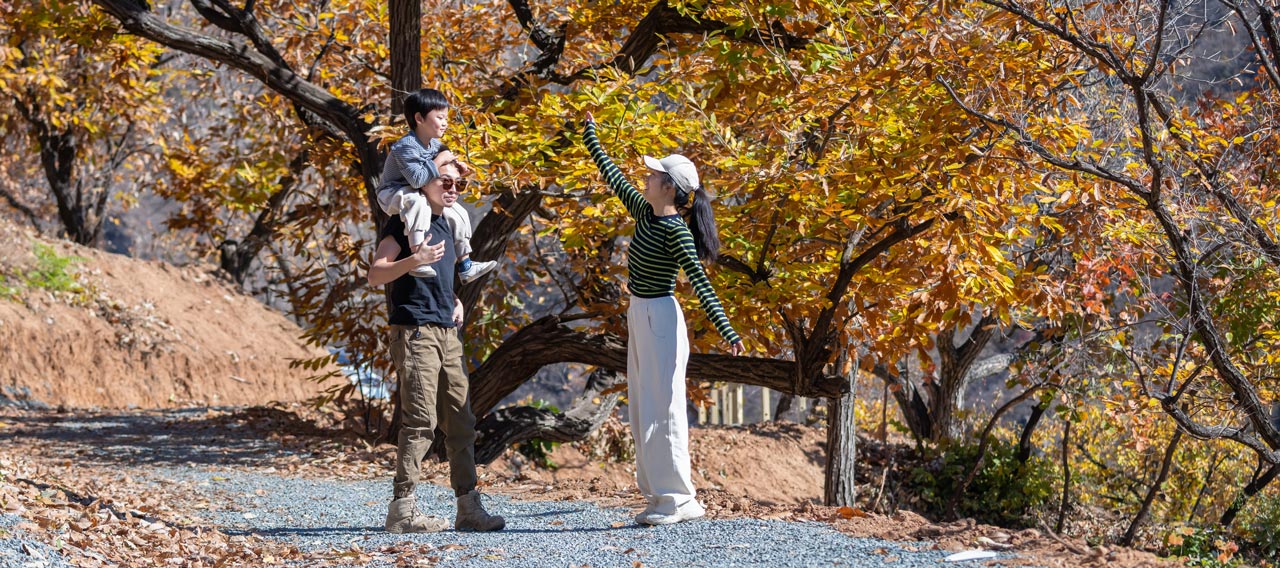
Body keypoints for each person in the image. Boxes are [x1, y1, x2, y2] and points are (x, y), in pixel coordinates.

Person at [581, 112, 746, 526]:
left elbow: (701, 284)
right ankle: (658, 497)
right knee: (642, 408)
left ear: (669, 187)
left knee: (664, 408)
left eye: (655, 175)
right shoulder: (645, 212)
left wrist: (728, 330)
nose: (646, 178)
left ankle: (680, 500)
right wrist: (591, 135)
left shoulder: (676, 231)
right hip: (641, 313)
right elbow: (613, 176)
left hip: (660, 317)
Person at [367, 161, 505, 534]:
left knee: (461, 423)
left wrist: (454, 300)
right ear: (424, 180)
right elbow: (375, 273)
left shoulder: (451, 222)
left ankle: (468, 508)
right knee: (420, 422)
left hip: (447, 332)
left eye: (460, 182)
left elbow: (441, 281)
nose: (454, 187)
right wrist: (415, 259)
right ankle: (402, 511)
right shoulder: (403, 223)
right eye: (446, 180)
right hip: (413, 332)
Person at [377, 88, 496, 283]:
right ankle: (419, 258)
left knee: (458, 211)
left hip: (415, 191)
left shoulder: (433, 145)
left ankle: (465, 264)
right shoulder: (405, 146)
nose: (445, 123)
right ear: (419, 118)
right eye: (440, 117)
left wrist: (458, 167)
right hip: (392, 192)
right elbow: (417, 179)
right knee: (416, 202)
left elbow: (440, 169)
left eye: (446, 118)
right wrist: (440, 159)